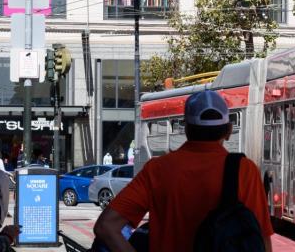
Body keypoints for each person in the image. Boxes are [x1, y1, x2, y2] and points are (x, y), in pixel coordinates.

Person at [93, 90, 274, 251]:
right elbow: (261, 240)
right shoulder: (244, 170)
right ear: (228, 131)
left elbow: (106, 226)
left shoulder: (157, 169)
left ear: (186, 129)